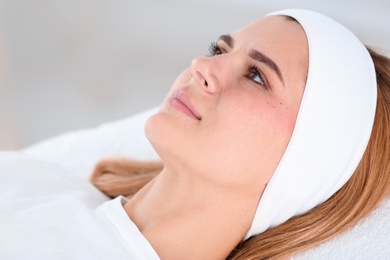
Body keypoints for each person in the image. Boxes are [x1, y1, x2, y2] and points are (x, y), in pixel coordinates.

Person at [0, 9, 389, 260]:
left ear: (305, 165)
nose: (202, 65)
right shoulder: (41, 179)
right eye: (220, 49)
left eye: (256, 76)